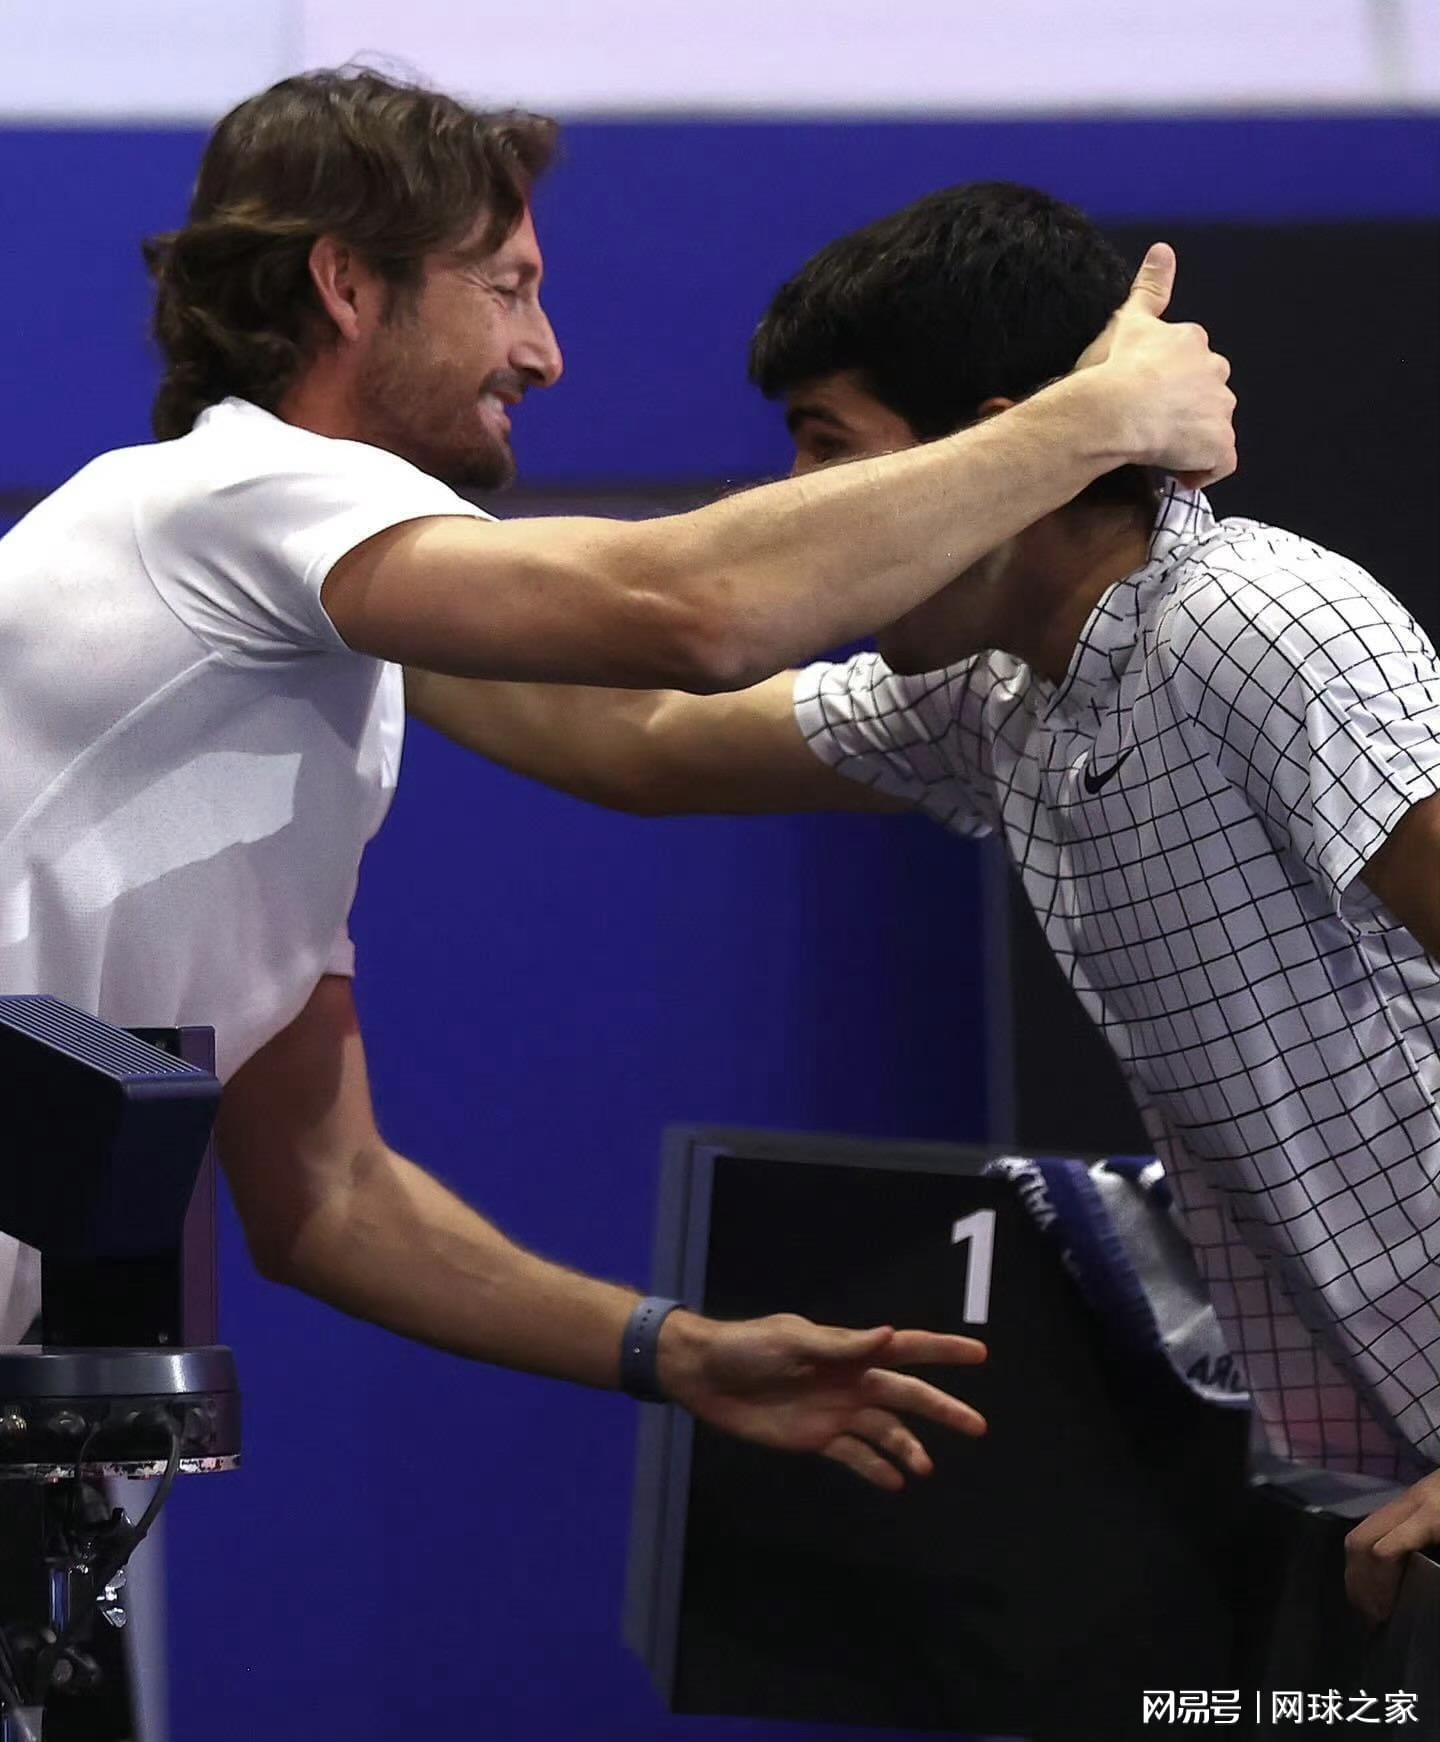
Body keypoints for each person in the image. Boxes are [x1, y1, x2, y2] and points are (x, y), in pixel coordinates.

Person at [0, 72, 1235, 1493]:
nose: (545, 352)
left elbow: (330, 1197)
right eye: (507, 287)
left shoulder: (299, 664)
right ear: (345, 285)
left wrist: (674, 1349)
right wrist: (1089, 423)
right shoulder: (234, 489)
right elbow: (685, 614)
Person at [408, 180, 1440, 1622]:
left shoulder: (1257, 621)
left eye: (831, 451)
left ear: (1007, 448)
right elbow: (636, 738)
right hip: (1378, 1480)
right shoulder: (992, 693)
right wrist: (326, 592)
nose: (803, 511)